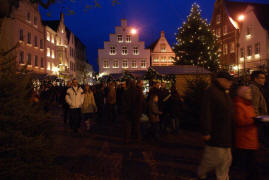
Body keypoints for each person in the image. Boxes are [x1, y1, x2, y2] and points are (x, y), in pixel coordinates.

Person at [196, 71, 234, 180]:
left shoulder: (224, 92)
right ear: (220, 80)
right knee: (213, 158)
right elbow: (206, 112)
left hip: (225, 133)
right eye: (228, 81)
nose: (230, 83)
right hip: (216, 133)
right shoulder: (211, 92)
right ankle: (201, 172)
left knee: (227, 159)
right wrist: (206, 131)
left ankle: (223, 177)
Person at [234, 86, 260, 180]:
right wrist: (254, 121)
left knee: (251, 166)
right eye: (247, 92)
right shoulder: (239, 105)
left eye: (250, 92)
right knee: (250, 167)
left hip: (252, 139)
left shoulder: (249, 104)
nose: (250, 94)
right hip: (244, 141)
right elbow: (240, 121)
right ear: (242, 94)